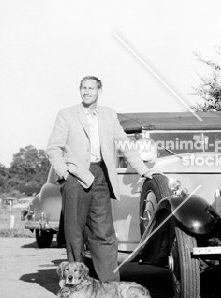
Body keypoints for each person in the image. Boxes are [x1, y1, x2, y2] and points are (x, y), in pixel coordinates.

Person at [46, 76, 154, 282]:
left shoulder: (108, 115)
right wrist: (65, 174)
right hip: (75, 177)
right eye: (83, 88)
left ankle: (110, 286)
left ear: (99, 91)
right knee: (74, 233)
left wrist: (143, 170)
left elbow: (125, 143)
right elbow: (53, 148)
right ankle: (75, 284)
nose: (86, 92)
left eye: (91, 88)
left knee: (104, 233)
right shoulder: (66, 115)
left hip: (101, 177)